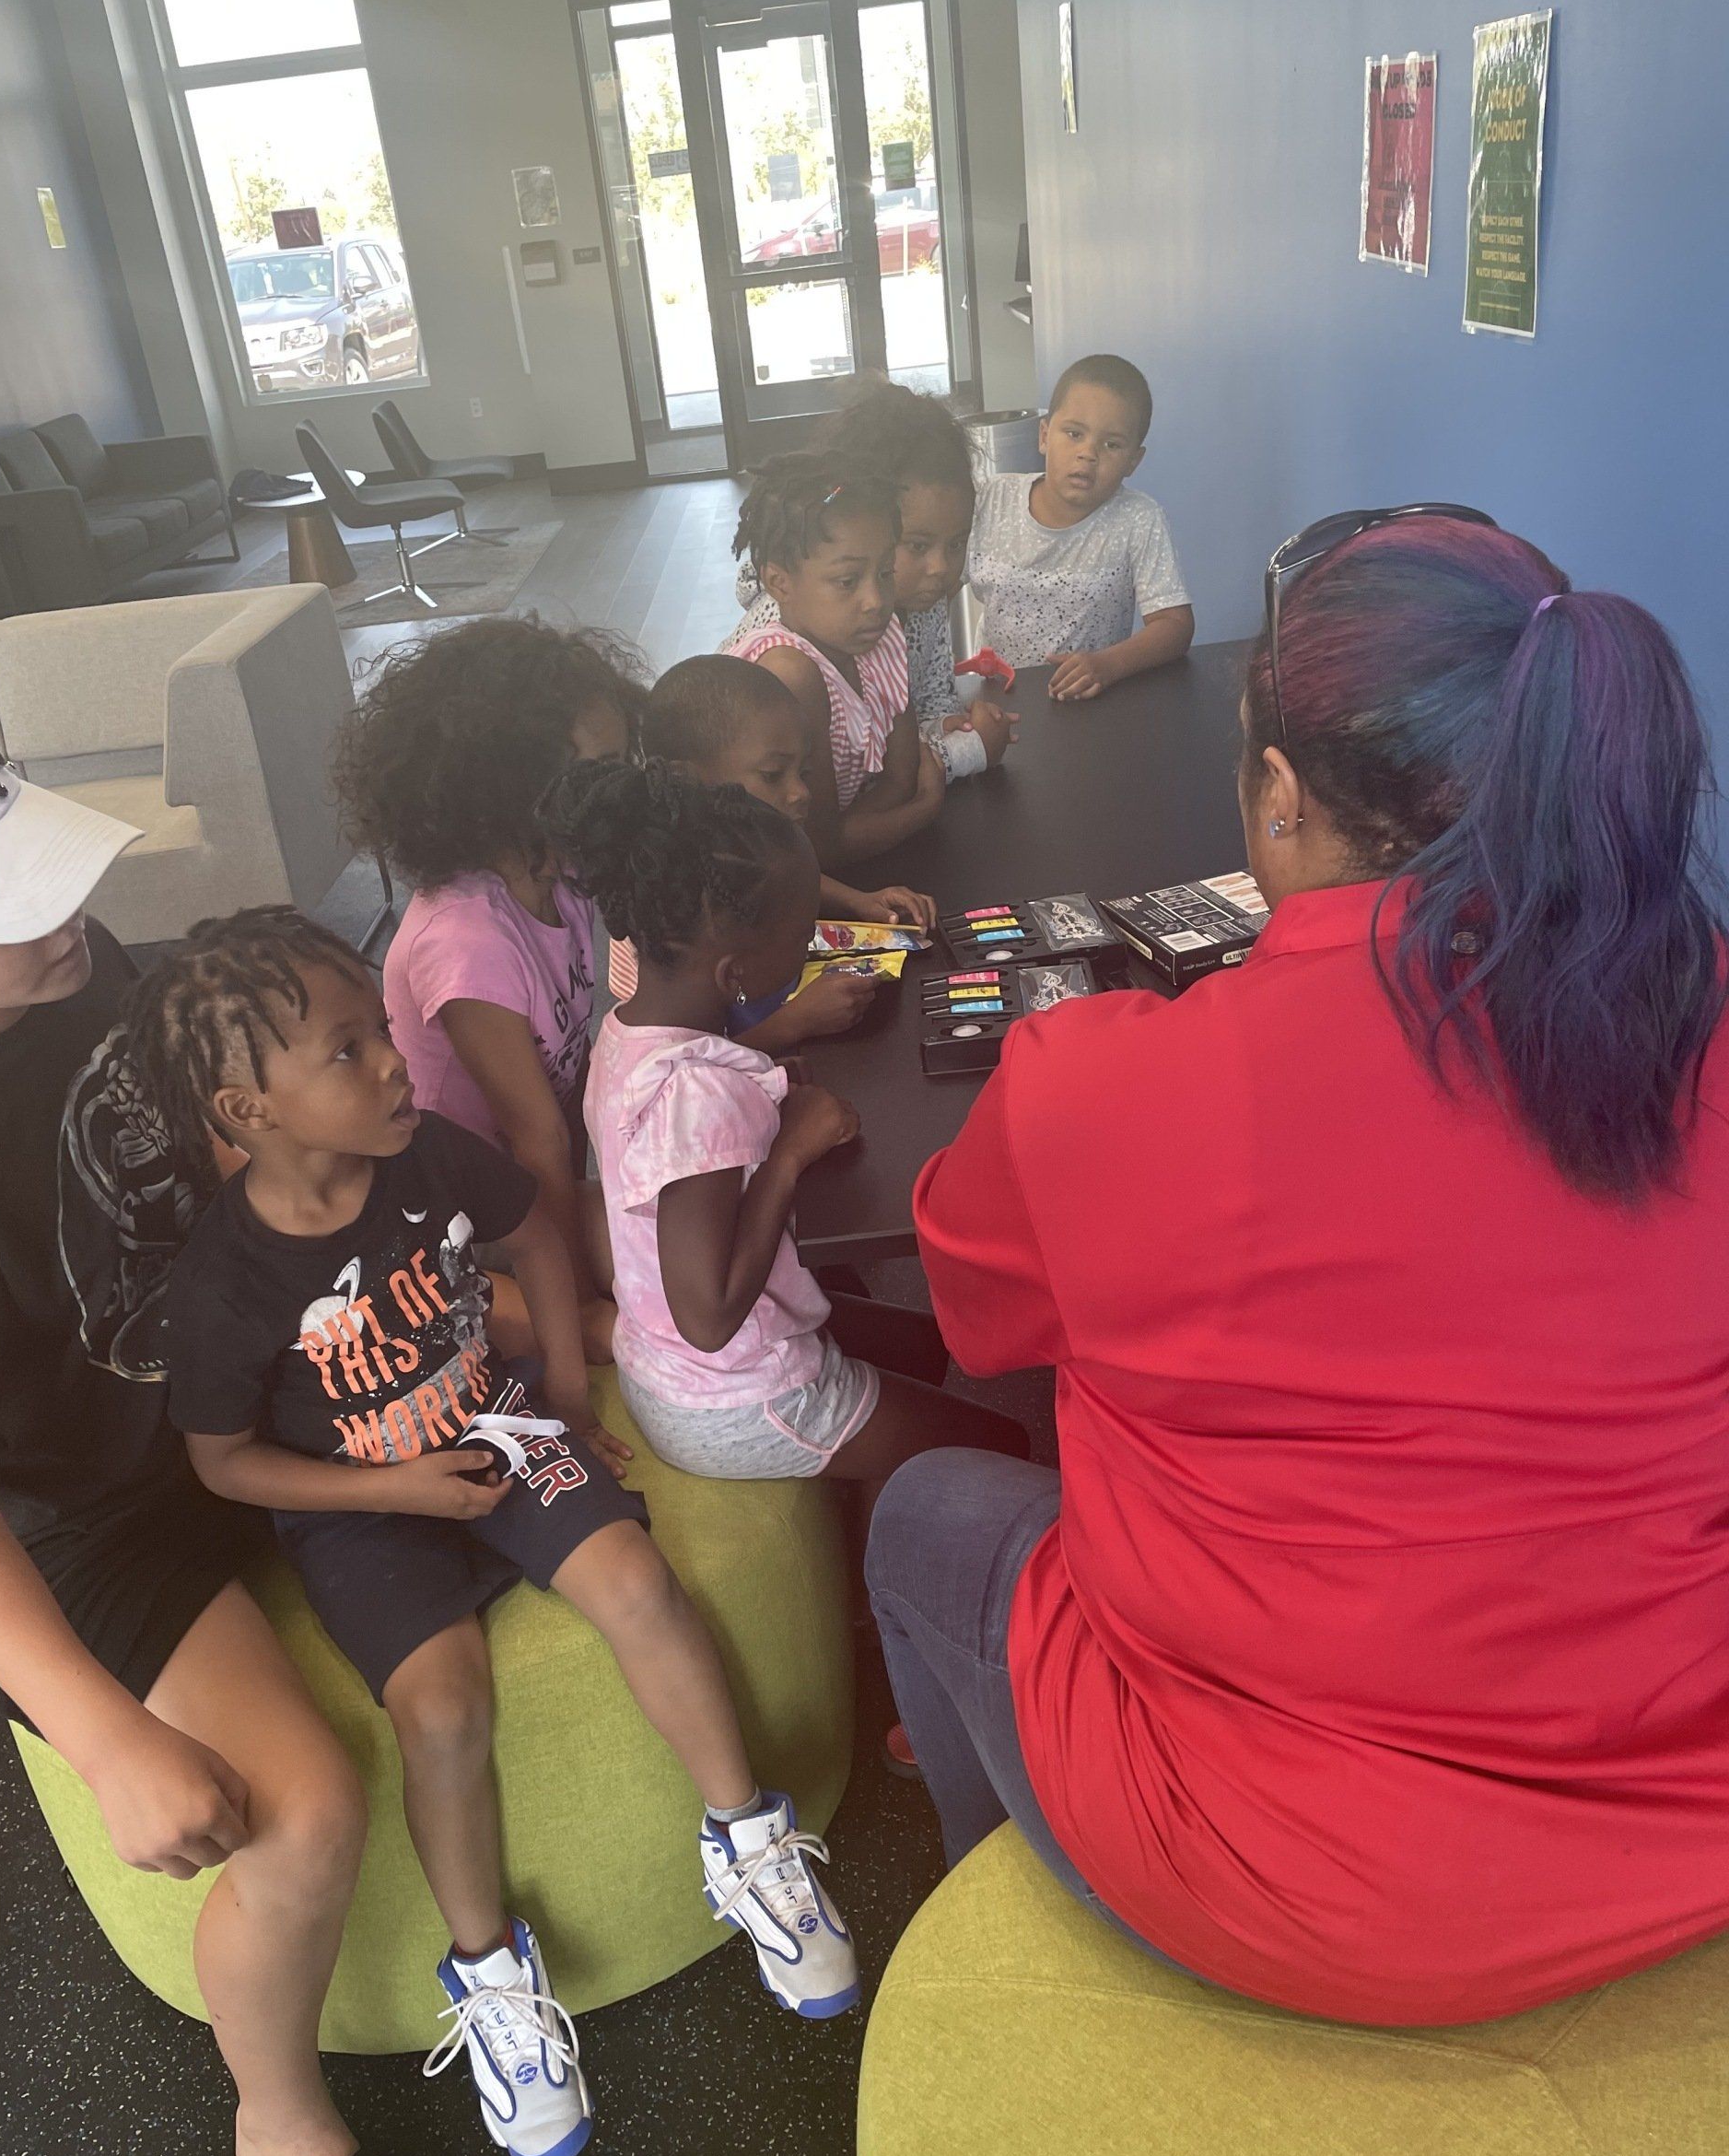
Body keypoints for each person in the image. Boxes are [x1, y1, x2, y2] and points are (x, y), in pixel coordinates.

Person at [870, 510, 1729, 2027]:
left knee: (929, 1511)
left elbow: (977, 1316)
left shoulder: (1104, 1088)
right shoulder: (1700, 1006)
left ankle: (998, 1959)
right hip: (1684, 1820)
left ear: (1277, 793)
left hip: (1302, 1882)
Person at [132, 908, 859, 2156]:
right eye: (348, 1052)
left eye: (377, 1031)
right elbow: (224, 1460)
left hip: (503, 1431)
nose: (393, 1063)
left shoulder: (425, 1157)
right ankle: (493, 1979)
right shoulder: (224, 1283)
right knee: (445, 1713)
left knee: (638, 1581)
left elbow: (530, 1227)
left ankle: (748, 1840)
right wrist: (397, 1492)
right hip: (364, 1508)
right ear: (250, 1114)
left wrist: (571, 1401)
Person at [0, 741, 467, 2156]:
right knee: (299, 1810)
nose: (74, 916)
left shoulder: (73, 966)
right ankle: (285, 2125)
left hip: (235, 1391)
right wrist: (104, 1740)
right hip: (84, 1516)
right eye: (11, 903)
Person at [562, 759, 1027, 1494]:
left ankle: (870, 1500)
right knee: (1001, 1440)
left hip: (669, 1367)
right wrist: (788, 1153)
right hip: (738, 1399)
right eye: (802, 924)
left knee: (924, 1343)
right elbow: (708, 1315)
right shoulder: (697, 1099)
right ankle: (881, 1580)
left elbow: (687, 1109)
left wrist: (772, 1042)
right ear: (736, 972)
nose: (816, 934)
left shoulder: (626, 1037)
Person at [335, 617, 641, 1344]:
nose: (619, 790)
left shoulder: (558, 872)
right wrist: (575, 1302)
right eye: (595, 772)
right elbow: (536, 1140)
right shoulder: (469, 942)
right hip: (447, 1219)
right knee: (630, 1336)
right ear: (510, 789)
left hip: (520, 1188)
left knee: (675, 1258)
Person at [605, 655, 938, 1054]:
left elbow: (769, 873)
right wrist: (793, 1024)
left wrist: (859, 900)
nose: (801, 793)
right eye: (773, 775)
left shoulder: (725, 848)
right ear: (688, 777)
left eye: (804, 772)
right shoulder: (667, 909)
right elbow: (684, 1063)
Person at [736, 384, 1016, 781]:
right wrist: (968, 750)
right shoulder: (797, 634)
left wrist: (952, 726)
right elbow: (842, 780)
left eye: (956, 543)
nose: (940, 568)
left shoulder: (924, 599)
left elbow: (933, 702)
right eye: (917, 545)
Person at [723, 455, 945, 863]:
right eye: (847, 581)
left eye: (884, 573)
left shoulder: (878, 639)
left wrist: (855, 829)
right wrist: (923, 811)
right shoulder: (791, 673)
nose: (875, 602)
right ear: (779, 582)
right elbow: (818, 848)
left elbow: (902, 775)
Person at [968, 353, 1194, 699]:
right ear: (1044, 435)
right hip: (998, 698)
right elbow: (930, 583)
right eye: (1074, 433)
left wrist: (1108, 664)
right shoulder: (992, 500)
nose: (1088, 454)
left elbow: (1175, 627)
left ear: (1134, 460)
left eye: (1111, 444)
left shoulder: (1139, 519)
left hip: (1092, 701)